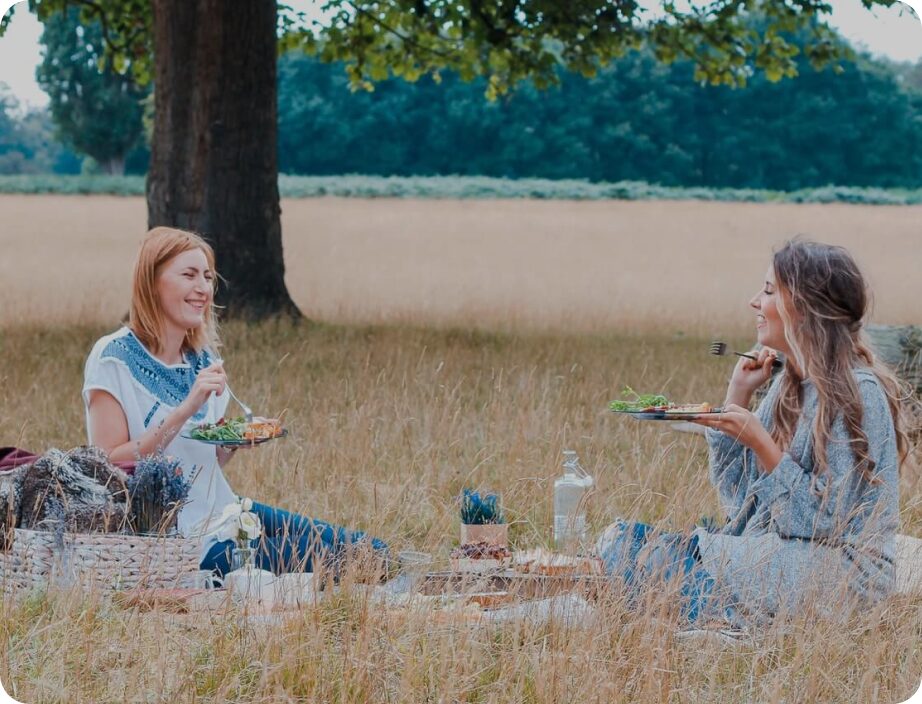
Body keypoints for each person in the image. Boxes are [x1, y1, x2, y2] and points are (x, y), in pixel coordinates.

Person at [597, 239, 909, 626]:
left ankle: (715, 618)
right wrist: (739, 394)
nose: (753, 302)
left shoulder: (859, 393)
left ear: (802, 306)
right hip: (785, 552)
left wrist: (762, 443)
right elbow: (738, 500)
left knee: (657, 561)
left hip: (842, 572)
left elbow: (825, 523)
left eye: (767, 291)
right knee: (623, 539)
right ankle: (699, 610)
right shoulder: (787, 384)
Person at [83, 227, 388, 578]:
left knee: (372, 551)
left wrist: (230, 445)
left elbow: (202, 464)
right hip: (177, 542)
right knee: (345, 561)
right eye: (189, 275)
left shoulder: (201, 359)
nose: (203, 288)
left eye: (208, 277)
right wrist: (186, 408)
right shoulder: (113, 357)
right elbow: (109, 464)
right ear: (151, 282)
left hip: (225, 513)